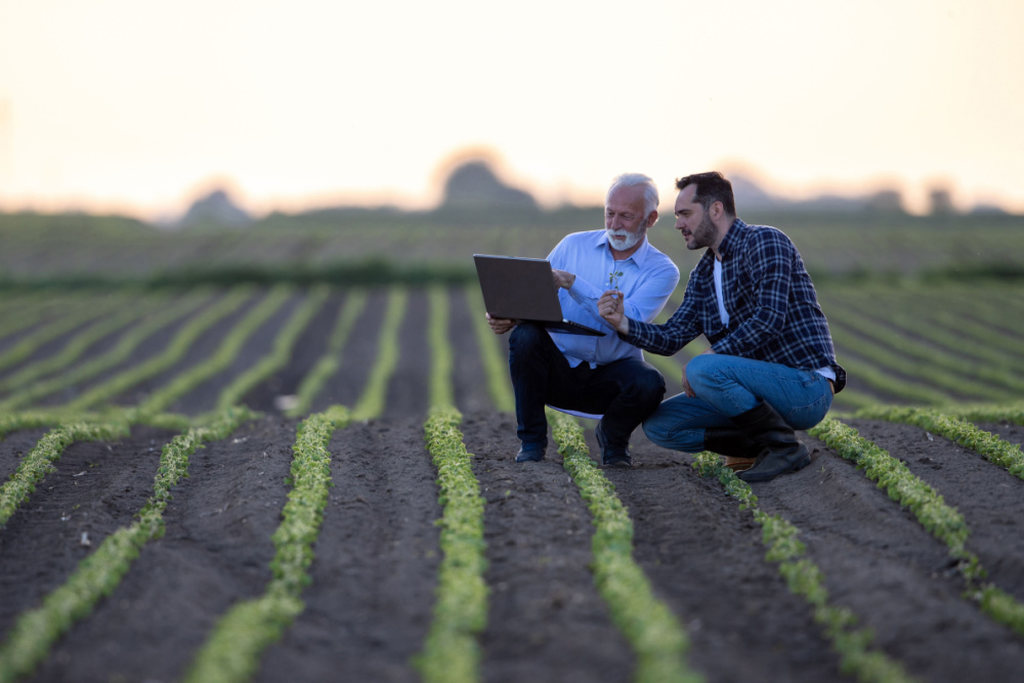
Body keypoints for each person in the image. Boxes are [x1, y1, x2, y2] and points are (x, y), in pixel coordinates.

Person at [598, 171, 846, 482]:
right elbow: (671, 337)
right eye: (677, 215)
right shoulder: (704, 274)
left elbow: (769, 319)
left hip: (803, 385)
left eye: (685, 214)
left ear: (716, 210)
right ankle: (755, 448)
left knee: (704, 368)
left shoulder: (765, 242)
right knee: (661, 425)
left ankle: (784, 448)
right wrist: (622, 322)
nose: (678, 224)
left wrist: (710, 356)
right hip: (750, 390)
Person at [487, 173, 680, 467]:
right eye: (610, 214)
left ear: (651, 218)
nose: (614, 225)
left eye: (626, 217)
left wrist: (573, 282)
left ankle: (613, 440)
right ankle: (531, 443)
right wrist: (508, 315)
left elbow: (631, 321)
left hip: (610, 376)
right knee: (524, 337)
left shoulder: (662, 270)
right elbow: (536, 294)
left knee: (650, 382)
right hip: (559, 370)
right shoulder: (572, 245)